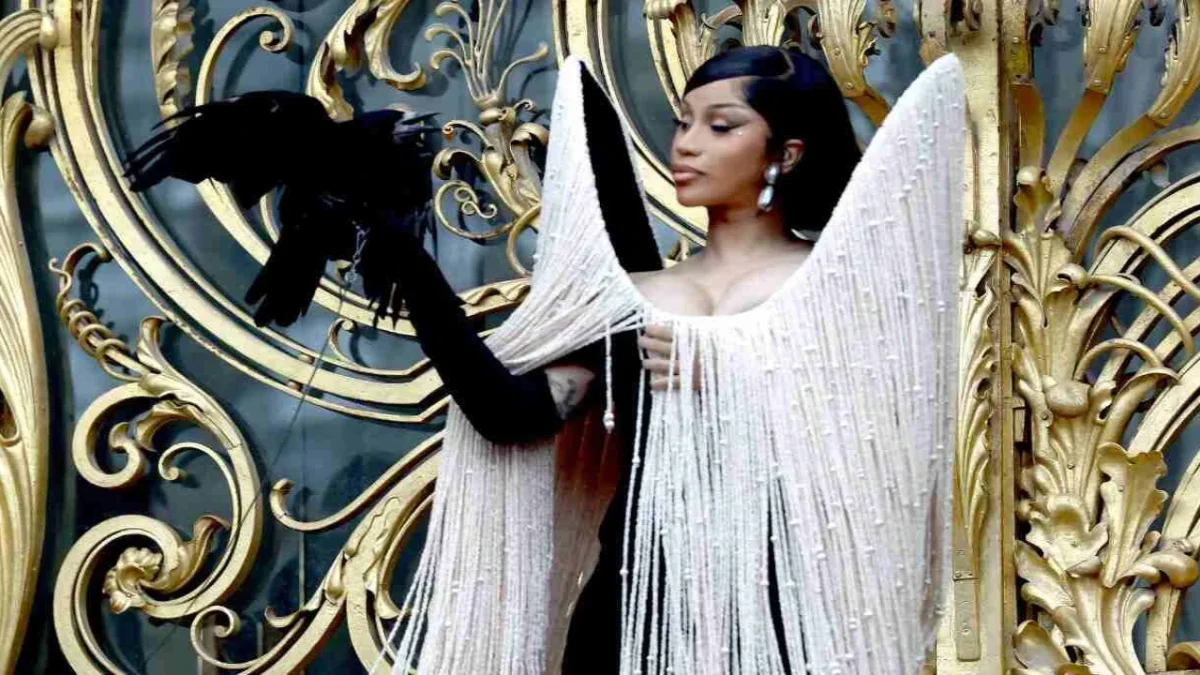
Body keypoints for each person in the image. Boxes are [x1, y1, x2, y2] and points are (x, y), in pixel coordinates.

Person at [124, 44, 965, 675]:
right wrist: (410, 267)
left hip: (777, 608)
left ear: (788, 152)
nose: (687, 143)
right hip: (634, 604)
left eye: (720, 125)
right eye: (682, 122)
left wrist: (743, 375)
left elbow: (890, 445)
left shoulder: (836, 287)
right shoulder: (628, 297)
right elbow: (511, 414)